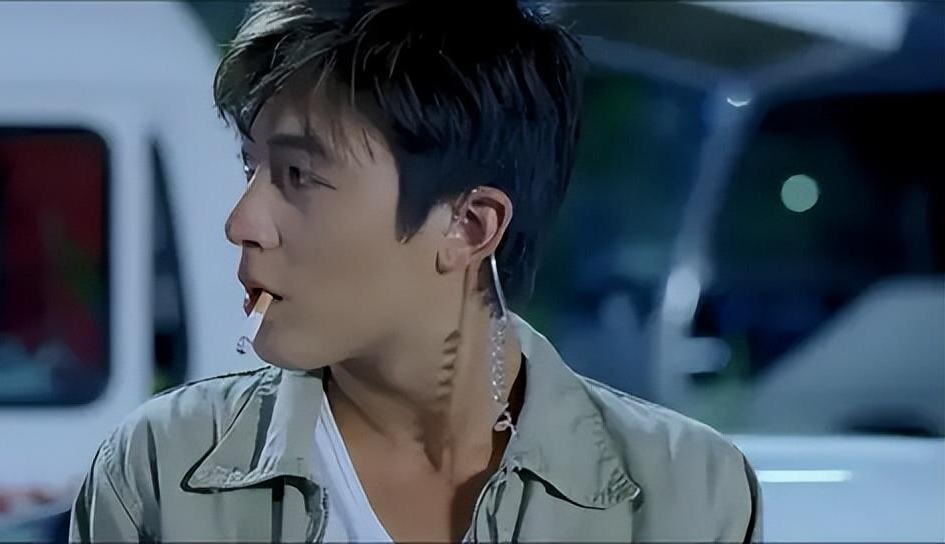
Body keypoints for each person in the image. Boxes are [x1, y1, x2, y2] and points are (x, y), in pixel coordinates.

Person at [70, 1, 761, 541]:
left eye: (298, 175)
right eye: (251, 166)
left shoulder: (684, 490)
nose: (241, 221)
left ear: (469, 226)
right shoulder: (164, 469)